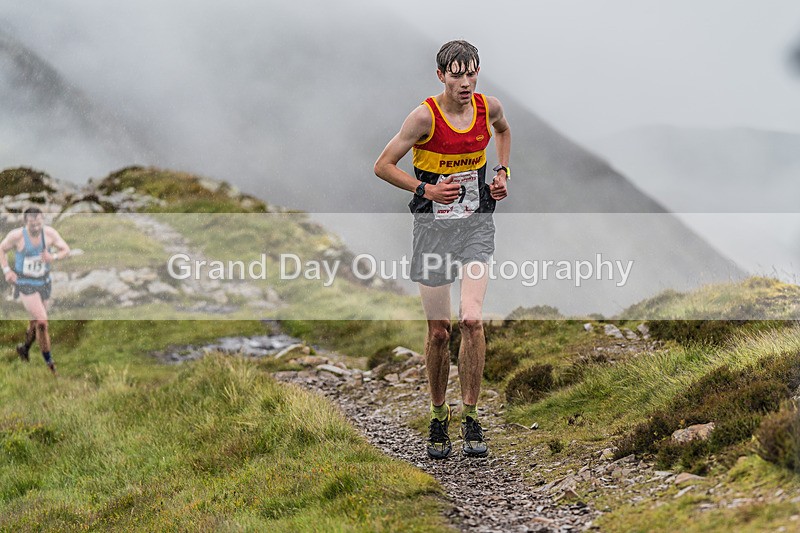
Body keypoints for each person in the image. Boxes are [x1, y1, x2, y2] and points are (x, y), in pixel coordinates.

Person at [374, 40, 511, 458]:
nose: (466, 82)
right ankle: (438, 417)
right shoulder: (423, 117)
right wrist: (426, 188)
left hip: (476, 225)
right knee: (439, 331)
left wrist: (502, 172)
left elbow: (503, 133)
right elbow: (382, 165)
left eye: (472, 73)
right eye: (457, 74)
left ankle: (470, 415)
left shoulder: (489, 109)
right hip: (432, 229)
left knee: (472, 319)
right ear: (441, 76)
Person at [1, 207, 71, 375]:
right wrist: (7, 271)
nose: (36, 228)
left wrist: (52, 257)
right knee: (42, 322)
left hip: (44, 282)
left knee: (35, 322)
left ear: (42, 220)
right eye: (33, 225)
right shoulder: (16, 236)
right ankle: (51, 365)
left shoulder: (49, 234)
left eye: (39, 224)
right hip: (25, 282)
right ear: (26, 223)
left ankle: (24, 348)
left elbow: (66, 250)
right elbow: (1, 249)